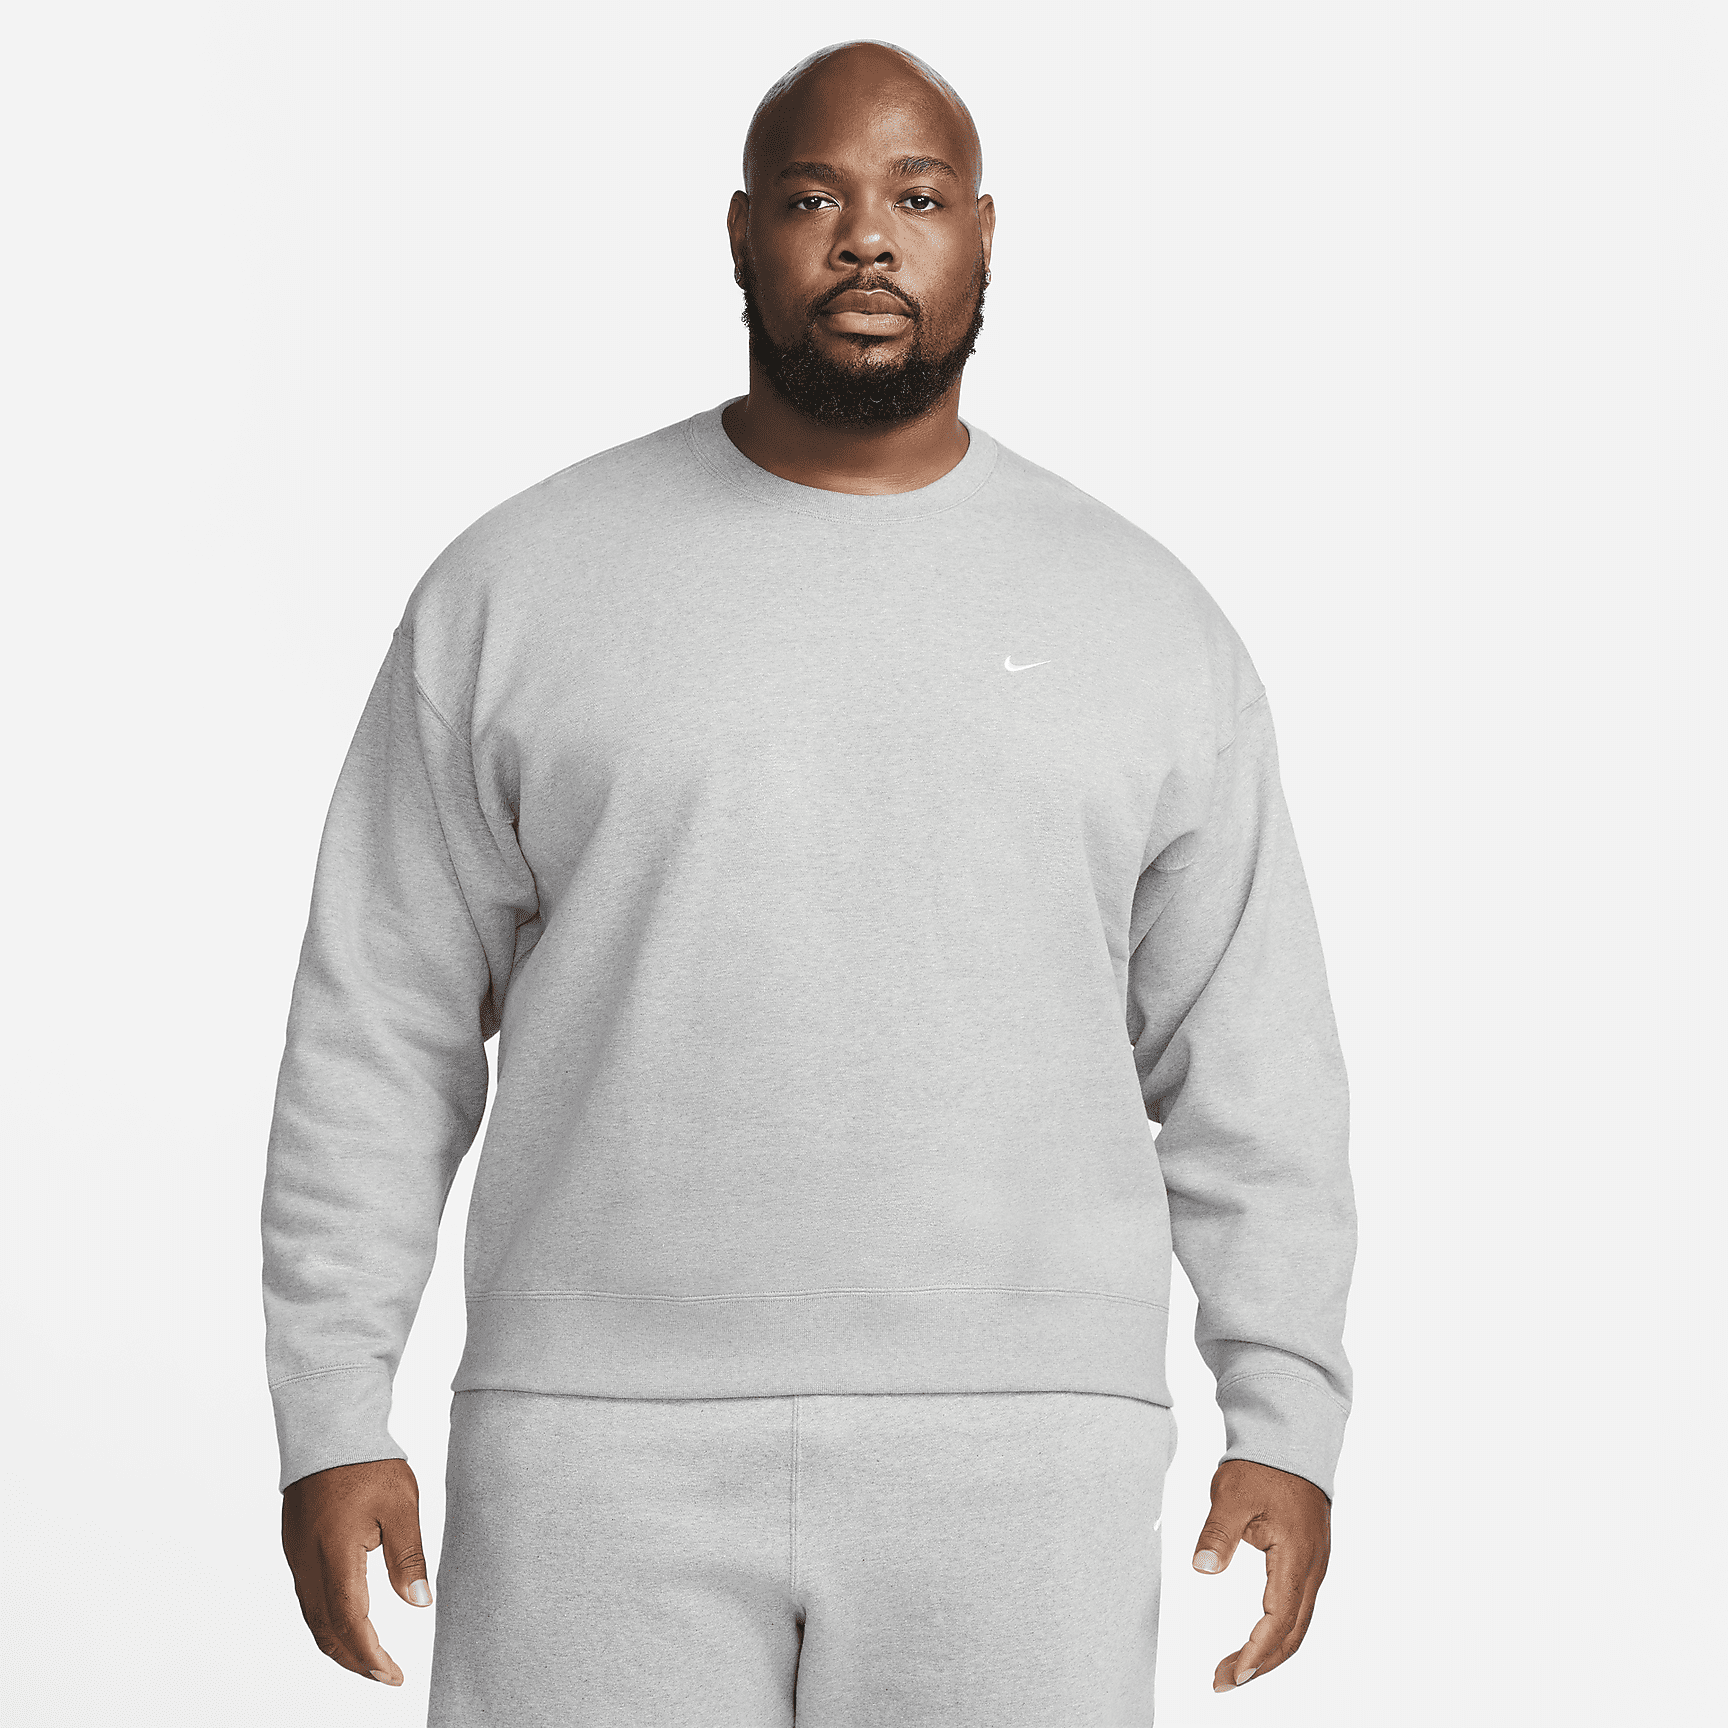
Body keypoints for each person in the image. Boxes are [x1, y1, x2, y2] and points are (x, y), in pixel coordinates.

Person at [263, 38, 1357, 1723]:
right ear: (739, 233)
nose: (866, 239)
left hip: (1024, 1452)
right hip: (595, 1447)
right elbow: (379, 1021)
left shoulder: (1145, 621)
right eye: (812, 198)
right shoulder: (519, 588)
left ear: (983, 235)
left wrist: (1284, 1412)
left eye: (917, 198)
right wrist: (332, 1414)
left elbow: (1248, 1056)